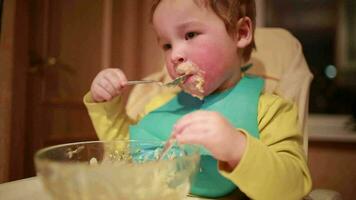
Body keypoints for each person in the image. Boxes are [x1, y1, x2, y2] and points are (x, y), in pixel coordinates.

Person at [84, 0, 312, 199]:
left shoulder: (271, 110)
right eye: (167, 45)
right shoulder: (159, 103)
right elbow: (125, 151)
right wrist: (106, 103)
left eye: (190, 34)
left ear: (240, 33)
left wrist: (237, 148)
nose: (174, 55)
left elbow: (293, 187)